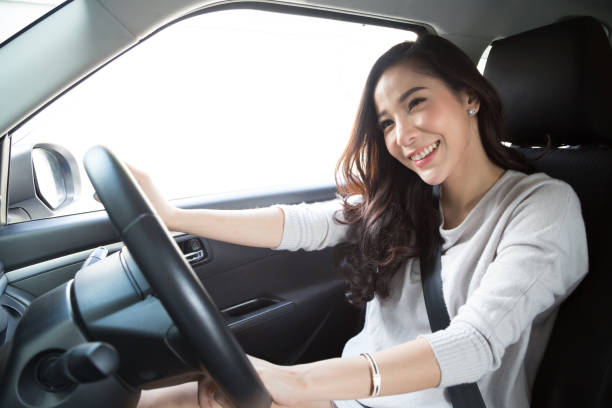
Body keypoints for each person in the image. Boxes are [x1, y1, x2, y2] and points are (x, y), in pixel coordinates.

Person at [136, 35, 588, 408]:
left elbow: (474, 343)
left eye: (416, 103)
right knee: (187, 396)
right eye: (387, 122)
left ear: (468, 97)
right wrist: (173, 216)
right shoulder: (408, 199)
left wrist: (302, 383)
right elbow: (301, 225)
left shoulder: (543, 207)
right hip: (350, 400)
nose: (403, 135)